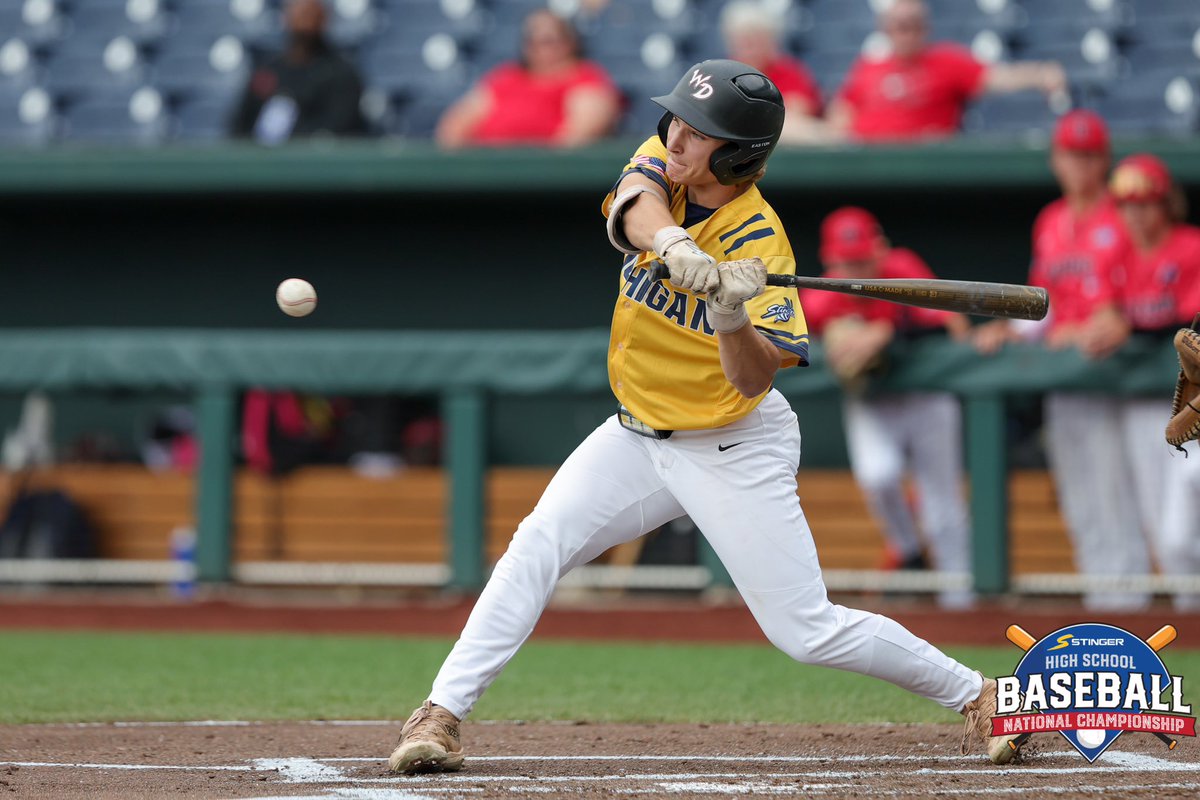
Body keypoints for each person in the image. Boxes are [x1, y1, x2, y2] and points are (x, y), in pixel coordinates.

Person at [386, 59, 1020, 776]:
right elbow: (634, 204)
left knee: (805, 631)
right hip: (635, 433)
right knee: (535, 546)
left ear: (737, 155)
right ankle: (440, 714)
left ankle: (983, 695)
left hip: (730, 442)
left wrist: (729, 314)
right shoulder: (665, 163)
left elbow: (751, 378)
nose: (677, 138)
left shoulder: (760, 243)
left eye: (699, 132)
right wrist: (675, 243)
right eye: (677, 122)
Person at [972, 110, 1151, 610]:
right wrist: (1010, 328)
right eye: (1072, 155)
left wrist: (1108, 320)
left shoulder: (1124, 214)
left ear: (1104, 159)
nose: (1080, 165)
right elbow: (1044, 303)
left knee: (1118, 495)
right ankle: (1103, 602)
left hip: (1116, 375)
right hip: (1066, 378)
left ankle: (1133, 608)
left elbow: (1140, 292)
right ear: (1056, 159)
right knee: (1080, 497)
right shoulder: (1051, 220)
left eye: (1089, 155)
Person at [801, 207, 973, 609]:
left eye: (863, 259)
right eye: (847, 262)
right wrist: (841, 346)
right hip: (871, 401)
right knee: (877, 476)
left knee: (942, 508)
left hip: (927, 398)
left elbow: (955, 326)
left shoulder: (902, 268)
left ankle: (960, 602)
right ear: (829, 261)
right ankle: (910, 552)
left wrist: (890, 329)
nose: (856, 269)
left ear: (880, 249)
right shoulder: (819, 298)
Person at [1109, 153, 1200, 610]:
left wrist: (1125, 326)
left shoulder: (1191, 246)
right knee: (1170, 536)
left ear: (1166, 204)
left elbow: (1188, 325)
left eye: (1145, 203)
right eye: (1127, 205)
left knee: (1181, 524)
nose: (1136, 214)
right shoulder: (1119, 255)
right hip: (1144, 405)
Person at [826, 0, 1067, 142]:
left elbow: (997, 78)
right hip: (873, 160)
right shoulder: (868, 67)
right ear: (887, 30)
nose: (907, 34)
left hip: (923, 163)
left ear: (926, 28)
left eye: (914, 26)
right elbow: (842, 112)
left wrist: (1040, 73)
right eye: (900, 27)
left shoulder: (946, 61)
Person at [434, 9, 620, 149]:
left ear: (569, 42)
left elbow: (581, 132)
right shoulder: (506, 77)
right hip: (488, 168)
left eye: (548, 40)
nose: (540, 49)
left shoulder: (584, 76)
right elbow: (455, 125)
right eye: (532, 41)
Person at [229, 0, 367, 143]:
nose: (304, 23)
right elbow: (240, 125)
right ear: (285, 18)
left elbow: (334, 128)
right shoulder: (268, 70)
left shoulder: (340, 74)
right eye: (299, 15)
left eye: (310, 15)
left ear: (324, 20)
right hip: (261, 154)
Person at [719, 0, 827, 144]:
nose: (751, 49)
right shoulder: (723, 75)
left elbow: (799, 113)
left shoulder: (789, 72)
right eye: (744, 42)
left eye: (757, 40)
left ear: (772, 42)